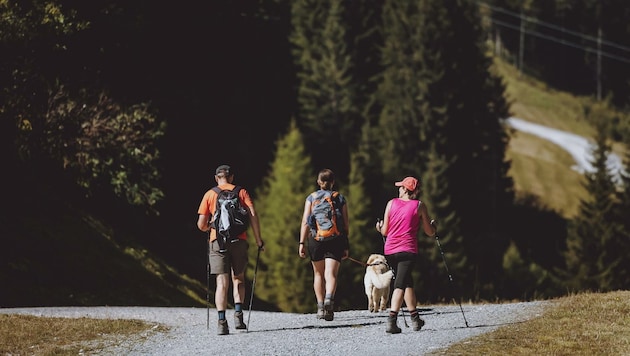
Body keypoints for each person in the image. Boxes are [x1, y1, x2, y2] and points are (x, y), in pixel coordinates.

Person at [197, 164, 264, 335]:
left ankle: (221, 322)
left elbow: (201, 224)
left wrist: (210, 229)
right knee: (238, 278)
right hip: (239, 240)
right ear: (231, 177)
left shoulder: (210, 194)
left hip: (217, 241)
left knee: (221, 281)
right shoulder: (242, 192)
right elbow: (253, 215)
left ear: (216, 178)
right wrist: (258, 240)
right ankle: (238, 316)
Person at [375, 176, 435, 334]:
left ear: (405, 190)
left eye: (401, 187)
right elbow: (429, 232)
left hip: (390, 251)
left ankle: (415, 318)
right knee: (400, 284)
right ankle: (392, 320)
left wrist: (379, 227)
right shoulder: (419, 206)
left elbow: (385, 231)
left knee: (407, 282)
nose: (399, 189)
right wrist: (434, 227)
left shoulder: (391, 203)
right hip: (407, 250)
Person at [298, 168, 349, 321]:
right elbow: (346, 224)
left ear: (319, 182)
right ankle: (329, 300)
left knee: (318, 274)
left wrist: (302, 242)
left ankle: (320, 307)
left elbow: (305, 222)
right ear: (333, 182)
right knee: (331, 274)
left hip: (316, 240)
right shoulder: (339, 198)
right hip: (336, 239)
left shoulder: (311, 198)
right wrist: (346, 244)